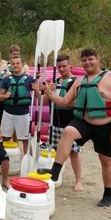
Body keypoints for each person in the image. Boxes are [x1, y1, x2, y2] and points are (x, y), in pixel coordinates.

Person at [43, 48, 111, 207]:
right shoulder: (79, 82)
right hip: (85, 122)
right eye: (84, 60)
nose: (88, 62)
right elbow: (63, 102)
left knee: (106, 160)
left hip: (105, 125)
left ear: (97, 59)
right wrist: (48, 92)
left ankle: (107, 195)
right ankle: (55, 171)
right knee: (67, 131)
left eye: (90, 59)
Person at [41, 55, 83, 191]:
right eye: (59, 66)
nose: (61, 69)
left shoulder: (77, 82)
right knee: (56, 152)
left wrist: (63, 101)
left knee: (74, 153)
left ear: (70, 66)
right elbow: (47, 102)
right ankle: (56, 177)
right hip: (55, 122)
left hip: (71, 123)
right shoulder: (54, 81)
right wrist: (50, 92)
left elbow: (79, 102)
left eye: (64, 66)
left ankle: (78, 181)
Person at [0, 56, 37, 154]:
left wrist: (37, 87)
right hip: (8, 113)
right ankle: (4, 160)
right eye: (13, 63)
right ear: (10, 65)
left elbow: (37, 96)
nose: (15, 65)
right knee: (4, 138)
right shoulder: (7, 79)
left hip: (23, 114)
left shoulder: (30, 79)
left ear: (22, 65)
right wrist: (4, 96)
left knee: (25, 141)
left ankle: (29, 162)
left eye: (17, 63)